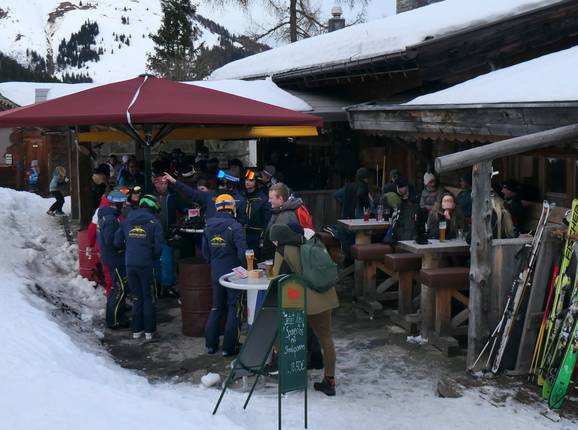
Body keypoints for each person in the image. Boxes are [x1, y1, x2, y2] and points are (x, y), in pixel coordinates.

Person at [270, 223, 339, 396]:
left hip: (301, 301)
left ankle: (287, 372)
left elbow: (279, 278)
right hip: (326, 295)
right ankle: (330, 380)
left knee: (283, 334)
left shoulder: (282, 250)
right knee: (326, 338)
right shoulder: (312, 241)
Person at [202, 194, 247, 356]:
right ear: (232, 208)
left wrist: (214, 265)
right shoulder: (235, 226)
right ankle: (229, 347)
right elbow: (243, 253)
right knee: (234, 308)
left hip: (216, 272)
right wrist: (246, 270)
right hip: (234, 275)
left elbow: (205, 253)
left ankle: (210, 345)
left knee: (216, 307)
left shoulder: (208, 226)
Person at [114, 194, 164, 341]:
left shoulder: (127, 220)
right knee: (148, 297)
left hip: (130, 263)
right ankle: (150, 332)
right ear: (152, 207)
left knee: (137, 297)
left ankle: (136, 331)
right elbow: (159, 248)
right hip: (146, 264)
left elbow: (117, 242)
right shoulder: (155, 223)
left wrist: (130, 247)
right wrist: (152, 256)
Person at [98, 189, 129, 329]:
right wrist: (125, 240)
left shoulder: (107, 215)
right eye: (123, 204)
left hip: (112, 257)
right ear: (117, 204)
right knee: (119, 289)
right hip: (114, 258)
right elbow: (112, 241)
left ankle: (119, 316)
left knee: (119, 288)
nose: (125, 207)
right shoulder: (111, 220)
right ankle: (113, 320)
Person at [262, 182, 306, 260]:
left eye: (271, 198)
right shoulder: (277, 211)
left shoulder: (288, 216)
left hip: (280, 260)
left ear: (280, 199)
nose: (269, 200)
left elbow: (287, 245)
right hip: (272, 259)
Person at [242, 169, 271, 258]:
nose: (247, 182)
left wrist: (262, 237)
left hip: (256, 237)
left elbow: (267, 221)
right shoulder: (240, 196)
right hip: (241, 235)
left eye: (251, 180)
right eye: (246, 180)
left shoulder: (263, 199)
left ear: (256, 182)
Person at [384, 177, 419, 244]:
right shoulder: (395, 195)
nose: (401, 189)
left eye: (403, 187)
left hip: (408, 225)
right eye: (399, 188)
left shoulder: (413, 196)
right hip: (398, 223)